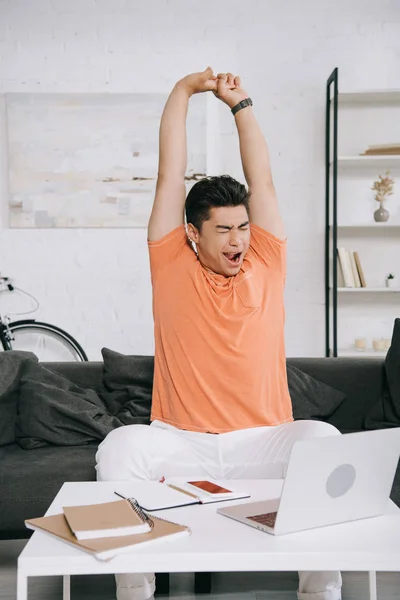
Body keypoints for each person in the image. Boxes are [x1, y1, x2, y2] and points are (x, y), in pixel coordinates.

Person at [96, 67, 342, 600]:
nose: (238, 240)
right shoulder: (170, 263)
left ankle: (319, 594)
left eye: (243, 226)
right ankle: (136, 590)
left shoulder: (267, 259)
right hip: (180, 441)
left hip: (262, 438)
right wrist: (183, 91)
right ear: (193, 233)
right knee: (119, 448)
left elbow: (264, 182)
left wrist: (240, 105)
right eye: (224, 229)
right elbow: (169, 177)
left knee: (322, 441)